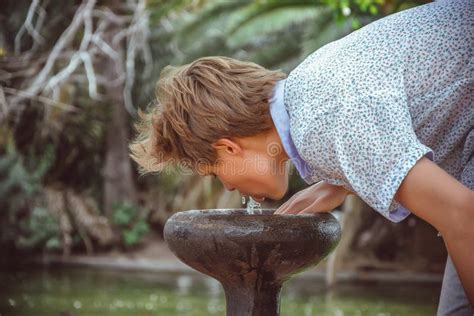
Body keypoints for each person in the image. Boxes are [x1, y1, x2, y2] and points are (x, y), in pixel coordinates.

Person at [130, 0, 473, 314]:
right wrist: (343, 182)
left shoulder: (322, 122)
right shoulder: (310, 91)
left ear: (228, 148)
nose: (229, 187)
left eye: (216, 173)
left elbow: (463, 218)